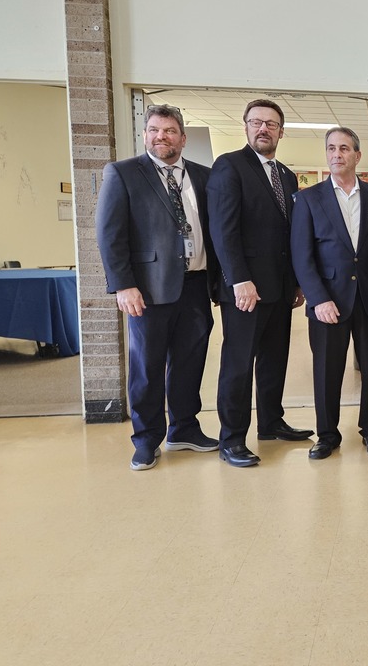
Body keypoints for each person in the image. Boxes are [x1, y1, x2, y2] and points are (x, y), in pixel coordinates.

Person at [96, 104, 218, 471]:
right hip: (147, 291)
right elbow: (109, 235)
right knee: (147, 367)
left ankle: (184, 428)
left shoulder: (204, 176)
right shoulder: (123, 173)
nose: (160, 136)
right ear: (145, 134)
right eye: (153, 130)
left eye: (168, 130)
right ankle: (147, 438)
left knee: (189, 361)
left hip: (197, 284)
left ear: (182, 137)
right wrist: (123, 285)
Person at [207, 99, 313, 468]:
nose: (263, 129)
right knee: (238, 364)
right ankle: (232, 438)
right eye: (256, 122)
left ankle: (270, 422)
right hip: (245, 291)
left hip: (280, 289)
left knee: (274, 359)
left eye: (271, 124)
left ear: (281, 131)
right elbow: (223, 230)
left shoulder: (284, 174)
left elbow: (289, 234)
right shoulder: (229, 167)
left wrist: (296, 282)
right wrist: (239, 280)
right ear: (246, 127)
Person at [291, 127, 368, 459]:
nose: (337, 154)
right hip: (327, 302)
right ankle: (327, 435)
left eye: (344, 148)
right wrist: (318, 299)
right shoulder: (309, 198)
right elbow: (301, 255)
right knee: (327, 371)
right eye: (331, 148)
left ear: (357, 156)